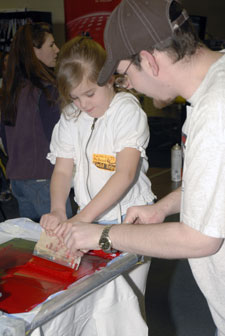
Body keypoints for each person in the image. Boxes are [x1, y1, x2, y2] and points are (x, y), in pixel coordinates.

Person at [51, 0, 225, 335]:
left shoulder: (215, 111)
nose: (128, 86)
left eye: (126, 75)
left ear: (148, 60)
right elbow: (212, 186)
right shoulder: (210, 92)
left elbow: (200, 239)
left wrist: (100, 234)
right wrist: (163, 207)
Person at [40, 35, 156, 335]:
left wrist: (81, 219)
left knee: (123, 308)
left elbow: (125, 174)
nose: (82, 104)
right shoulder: (71, 116)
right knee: (90, 304)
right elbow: (63, 170)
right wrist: (58, 211)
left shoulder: (126, 111)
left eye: (89, 94)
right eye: (74, 97)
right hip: (87, 219)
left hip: (129, 221)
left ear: (108, 79)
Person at [1, 22, 72, 222]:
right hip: (44, 180)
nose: (57, 50)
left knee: (35, 241)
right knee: (60, 243)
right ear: (34, 51)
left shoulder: (10, 90)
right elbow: (59, 139)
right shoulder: (47, 91)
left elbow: (5, 140)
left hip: (19, 181)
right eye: (51, 45)